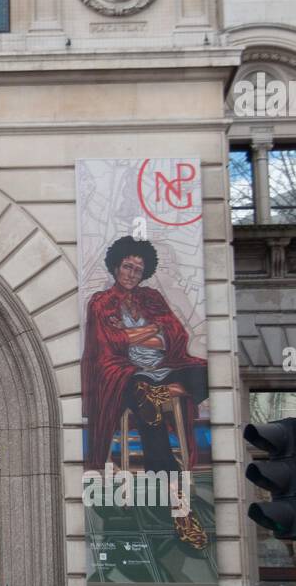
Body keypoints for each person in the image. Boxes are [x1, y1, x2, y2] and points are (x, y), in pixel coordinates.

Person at [81, 235, 209, 549]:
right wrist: (151, 332)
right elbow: (110, 344)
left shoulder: (151, 298)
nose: (132, 274)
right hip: (123, 375)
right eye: (127, 266)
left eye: (138, 269)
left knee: (205, 370)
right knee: (145, 404)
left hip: (164, 370)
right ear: (115, 266)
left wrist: (136, 334)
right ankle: (181, 511)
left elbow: (174, 335)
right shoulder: (100, 302)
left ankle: (164, 392)